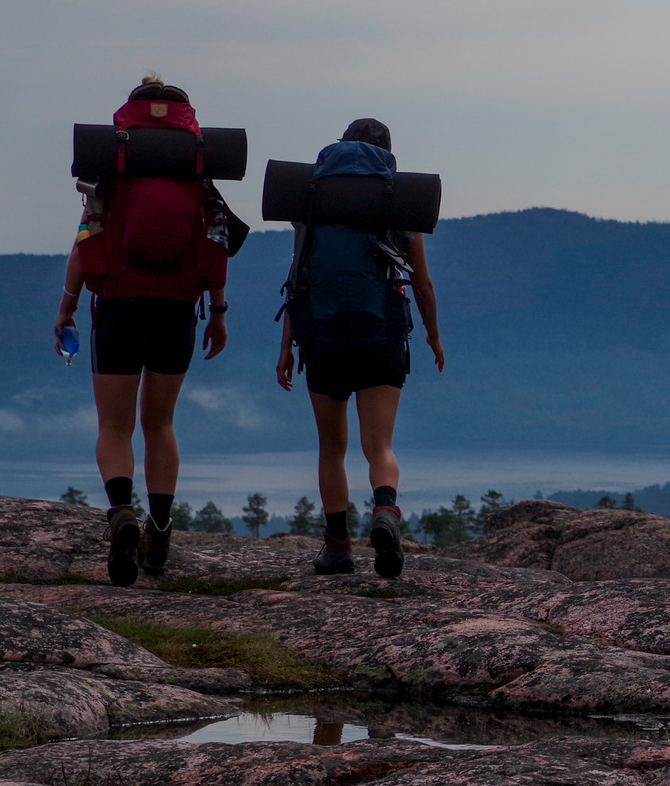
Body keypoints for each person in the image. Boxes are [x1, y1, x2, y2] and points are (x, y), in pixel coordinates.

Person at [54, 75, 232, 586]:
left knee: (115, 427)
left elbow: (86, 240)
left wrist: (67, 308)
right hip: (177, 308)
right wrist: (217, 312)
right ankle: (159, 530)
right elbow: (216, 247)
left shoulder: (113, 167)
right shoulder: (198, 170)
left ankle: (121, 511)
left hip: (116, 305)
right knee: (161, 424)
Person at [274, 119, 443, 578]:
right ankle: (386, 513)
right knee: (379, 445)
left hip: (323, 337)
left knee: (332, 448)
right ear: (388, 153)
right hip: (382, 336)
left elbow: (297, 281)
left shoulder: (312, 201)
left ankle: (337, 547)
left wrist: (286, 346)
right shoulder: (399, 203)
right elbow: (423, 286)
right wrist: (433, 335)